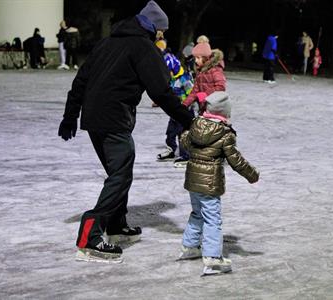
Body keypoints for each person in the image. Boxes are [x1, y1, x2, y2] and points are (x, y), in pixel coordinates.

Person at [57, 0, 194, 263]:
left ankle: (116, 224)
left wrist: (70, 115)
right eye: (161, 31)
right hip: (114, 119)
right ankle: (90, 235)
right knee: (120, 174)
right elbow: (162, 93)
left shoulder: (106, 43)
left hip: (94, 119)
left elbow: (80, 81)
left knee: (118, 172)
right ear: (154, 27)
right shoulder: (144, 48)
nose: (161, 36)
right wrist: (189, 120)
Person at [177, 91, 259, 276]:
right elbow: (236, 160)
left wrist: (185, 136)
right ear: (224, 113)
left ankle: (189, 246)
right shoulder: (224, 134)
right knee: (212, 218)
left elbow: (184, 142)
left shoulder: (195, 125)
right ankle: (213, 258)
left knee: (197, 213)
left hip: (192, 180)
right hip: (210, 184)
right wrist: (252, 175)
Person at [155, 39, 195, 167]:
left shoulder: (184, 79)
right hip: (174, 110)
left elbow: (192, 93)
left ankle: (185, 155)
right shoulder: (171, 80)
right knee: (170, 132)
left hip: (184, 110)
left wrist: (186, 105)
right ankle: (171, 149)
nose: (168, 74)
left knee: (182, 133)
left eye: (169, 72)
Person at [182, 42, 226, 116]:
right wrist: (184, 104)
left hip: (215, 109)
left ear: (206, 58)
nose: (195, 61)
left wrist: (205, 95)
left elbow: (221, 86)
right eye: (195, 58)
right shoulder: (201, 72)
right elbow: (194, 91)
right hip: (203, 108)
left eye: (198, 58)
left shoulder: (215, 70)